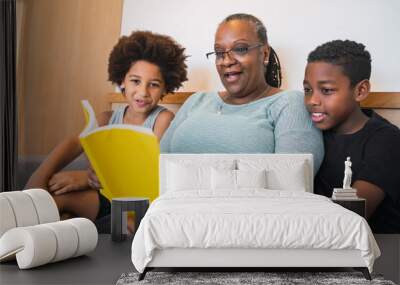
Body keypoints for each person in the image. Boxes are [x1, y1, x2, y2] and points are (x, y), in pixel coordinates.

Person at [25, 31, 188, 222]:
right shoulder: (106, 119)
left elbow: (149, 171)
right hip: (103, 197)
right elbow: (73, 143)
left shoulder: (163, 119)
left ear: (165, 88)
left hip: (135, 205)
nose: (143, 92)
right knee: (55, 206)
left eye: (153, 84)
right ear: (122, 81)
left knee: (60, 203)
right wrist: (39, 178)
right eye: (135, 81)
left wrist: (85, 179)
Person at [160, 13, 323, 174]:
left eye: (240, 49)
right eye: (219, 53)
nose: (227, 61)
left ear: (264, 53)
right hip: (173, 199)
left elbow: (291, 181)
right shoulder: (196, 101)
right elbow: (157, 167)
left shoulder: (290, 103)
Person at [303, 39, 400, 233]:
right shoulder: (310, 133)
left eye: (327, 90)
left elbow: (350, 218)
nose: (312, 100)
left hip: (375, 252)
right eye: (307, 90)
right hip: (317, 244)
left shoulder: (387, 140)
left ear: (360, 91)